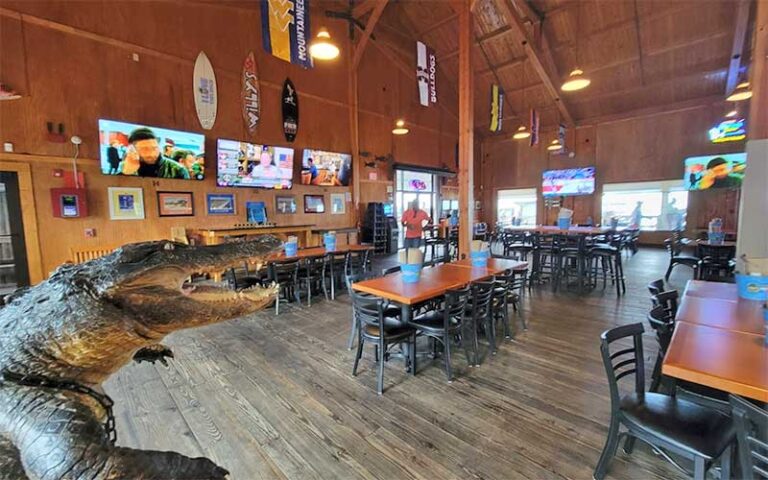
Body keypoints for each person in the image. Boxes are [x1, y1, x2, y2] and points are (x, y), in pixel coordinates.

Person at [120, 128, 189, 179]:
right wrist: (126, 174)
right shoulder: (125, 166)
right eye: (145, 149)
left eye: (154, 148)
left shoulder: (178, 169)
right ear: (132, 149)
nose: (151, 154)